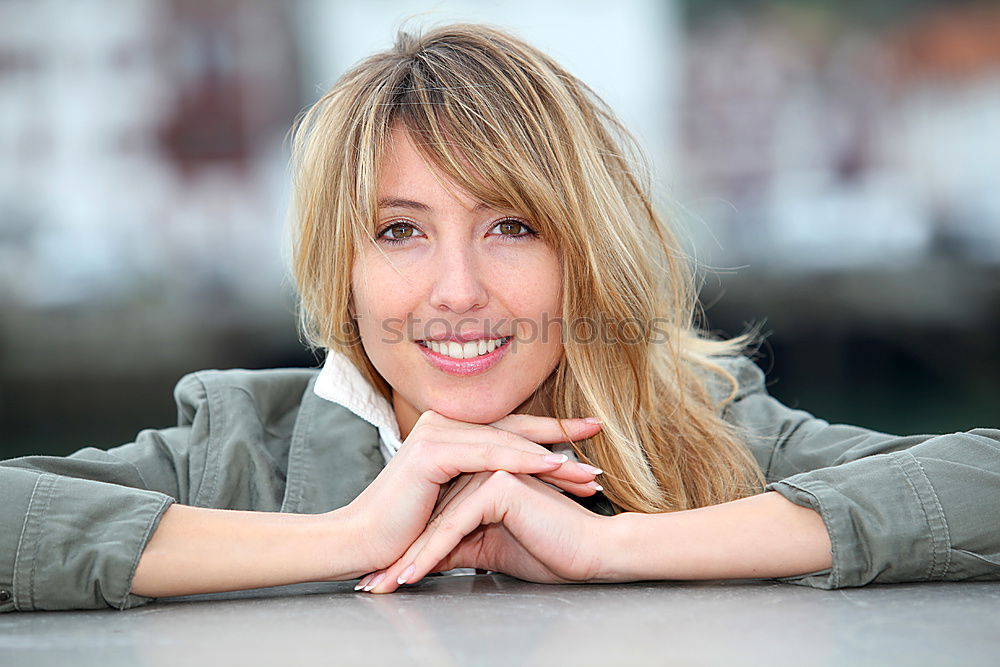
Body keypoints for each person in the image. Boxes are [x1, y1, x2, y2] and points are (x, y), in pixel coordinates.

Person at [1, 24, 997, 613]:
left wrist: (610, 549)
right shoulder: (235, 451)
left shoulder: (706, 432)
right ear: (338, 264)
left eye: (512, 226)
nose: (457, 289)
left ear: (583, 248)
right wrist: (350, 535)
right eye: (399, 231)